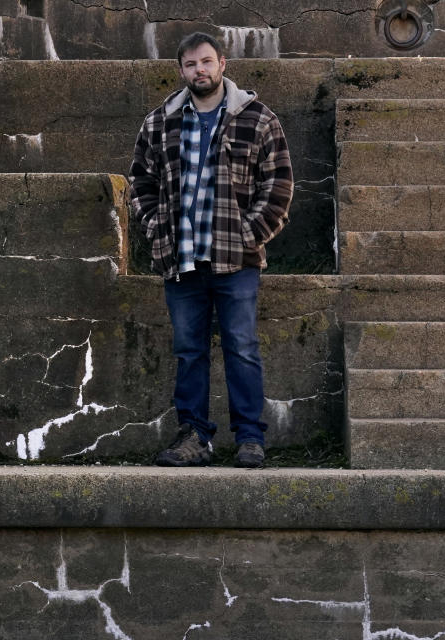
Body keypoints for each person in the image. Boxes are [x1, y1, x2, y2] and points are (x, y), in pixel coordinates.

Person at [129, 32, 293, 468]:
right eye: (190, 65)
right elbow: (140, 183)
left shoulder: (257, 119)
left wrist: (250, 234)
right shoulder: (159, 122)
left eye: (206, 62)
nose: (199, 70)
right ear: (181, 70)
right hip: (180, 257)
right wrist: (154, 229)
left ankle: (249, 439)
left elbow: (278, 184)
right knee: (189, 351)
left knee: (241, 346)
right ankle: (194, 438)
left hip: (235, 259)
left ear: (222, 63)